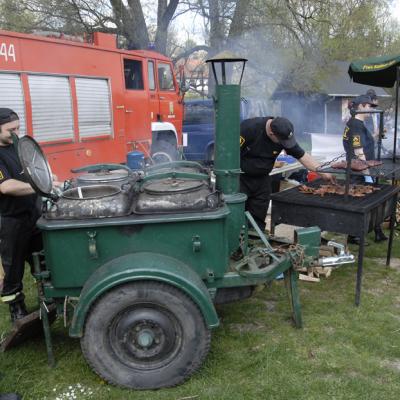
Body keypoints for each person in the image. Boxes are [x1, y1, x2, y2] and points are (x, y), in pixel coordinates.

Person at [240, 116, 335, 231]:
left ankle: (254, 238)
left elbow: (302, 155)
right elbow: (229, 152)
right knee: (238, 212)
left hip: (262, 179)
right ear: (271, 133)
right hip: (240, 178)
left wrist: (323, 172)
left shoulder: (283, 134)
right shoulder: (248, 128)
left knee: (259, 213)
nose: (284, 144)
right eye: (281, 141)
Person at [0, 108, 43, 323]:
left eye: (18, 128)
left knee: (43, 259)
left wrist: (45, 175)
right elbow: (6, 187)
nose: (16, 133)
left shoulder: (18, 147)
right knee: (13, 269)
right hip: (11, 220)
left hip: (33, 215)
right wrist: (39, 186)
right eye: (11, 129)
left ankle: (48, 298)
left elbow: (33, 170)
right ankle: (17, 309)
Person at [343, 95, 388, 244]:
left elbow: (364, 143)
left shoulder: (358, 123)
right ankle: (354, 235)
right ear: (361, 106)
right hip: (359, 172)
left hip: (363, 169)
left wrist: (375, 136)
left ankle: (377, 231)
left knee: (371, 201)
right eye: (369, 106)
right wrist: (367, 174)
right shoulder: (356, 124)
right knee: (358, 203)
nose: (371, 109)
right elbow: (358, 151)